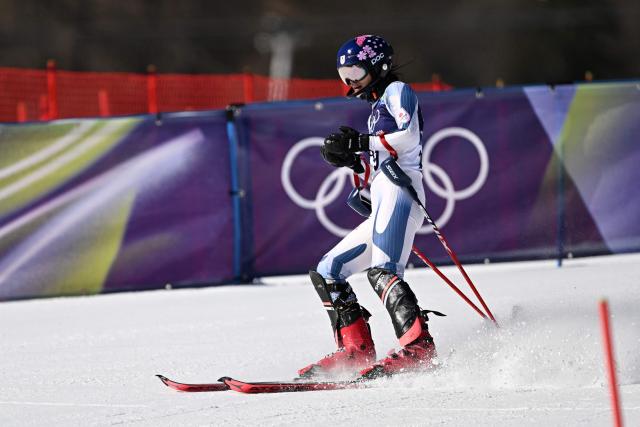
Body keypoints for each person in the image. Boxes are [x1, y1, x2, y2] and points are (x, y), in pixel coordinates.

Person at [298, 35, 439, 380]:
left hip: (401, 195)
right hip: (383, 198)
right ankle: (355, 350)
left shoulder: (397, 92)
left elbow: (408, 136)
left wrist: (361, 142)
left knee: (383, 270)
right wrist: (353, 162)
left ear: (379, 65)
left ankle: (418, 347)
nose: (350, 82)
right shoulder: (377, 108)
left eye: (356, 71)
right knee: (328, 270)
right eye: (344, 74)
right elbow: (374, 167)